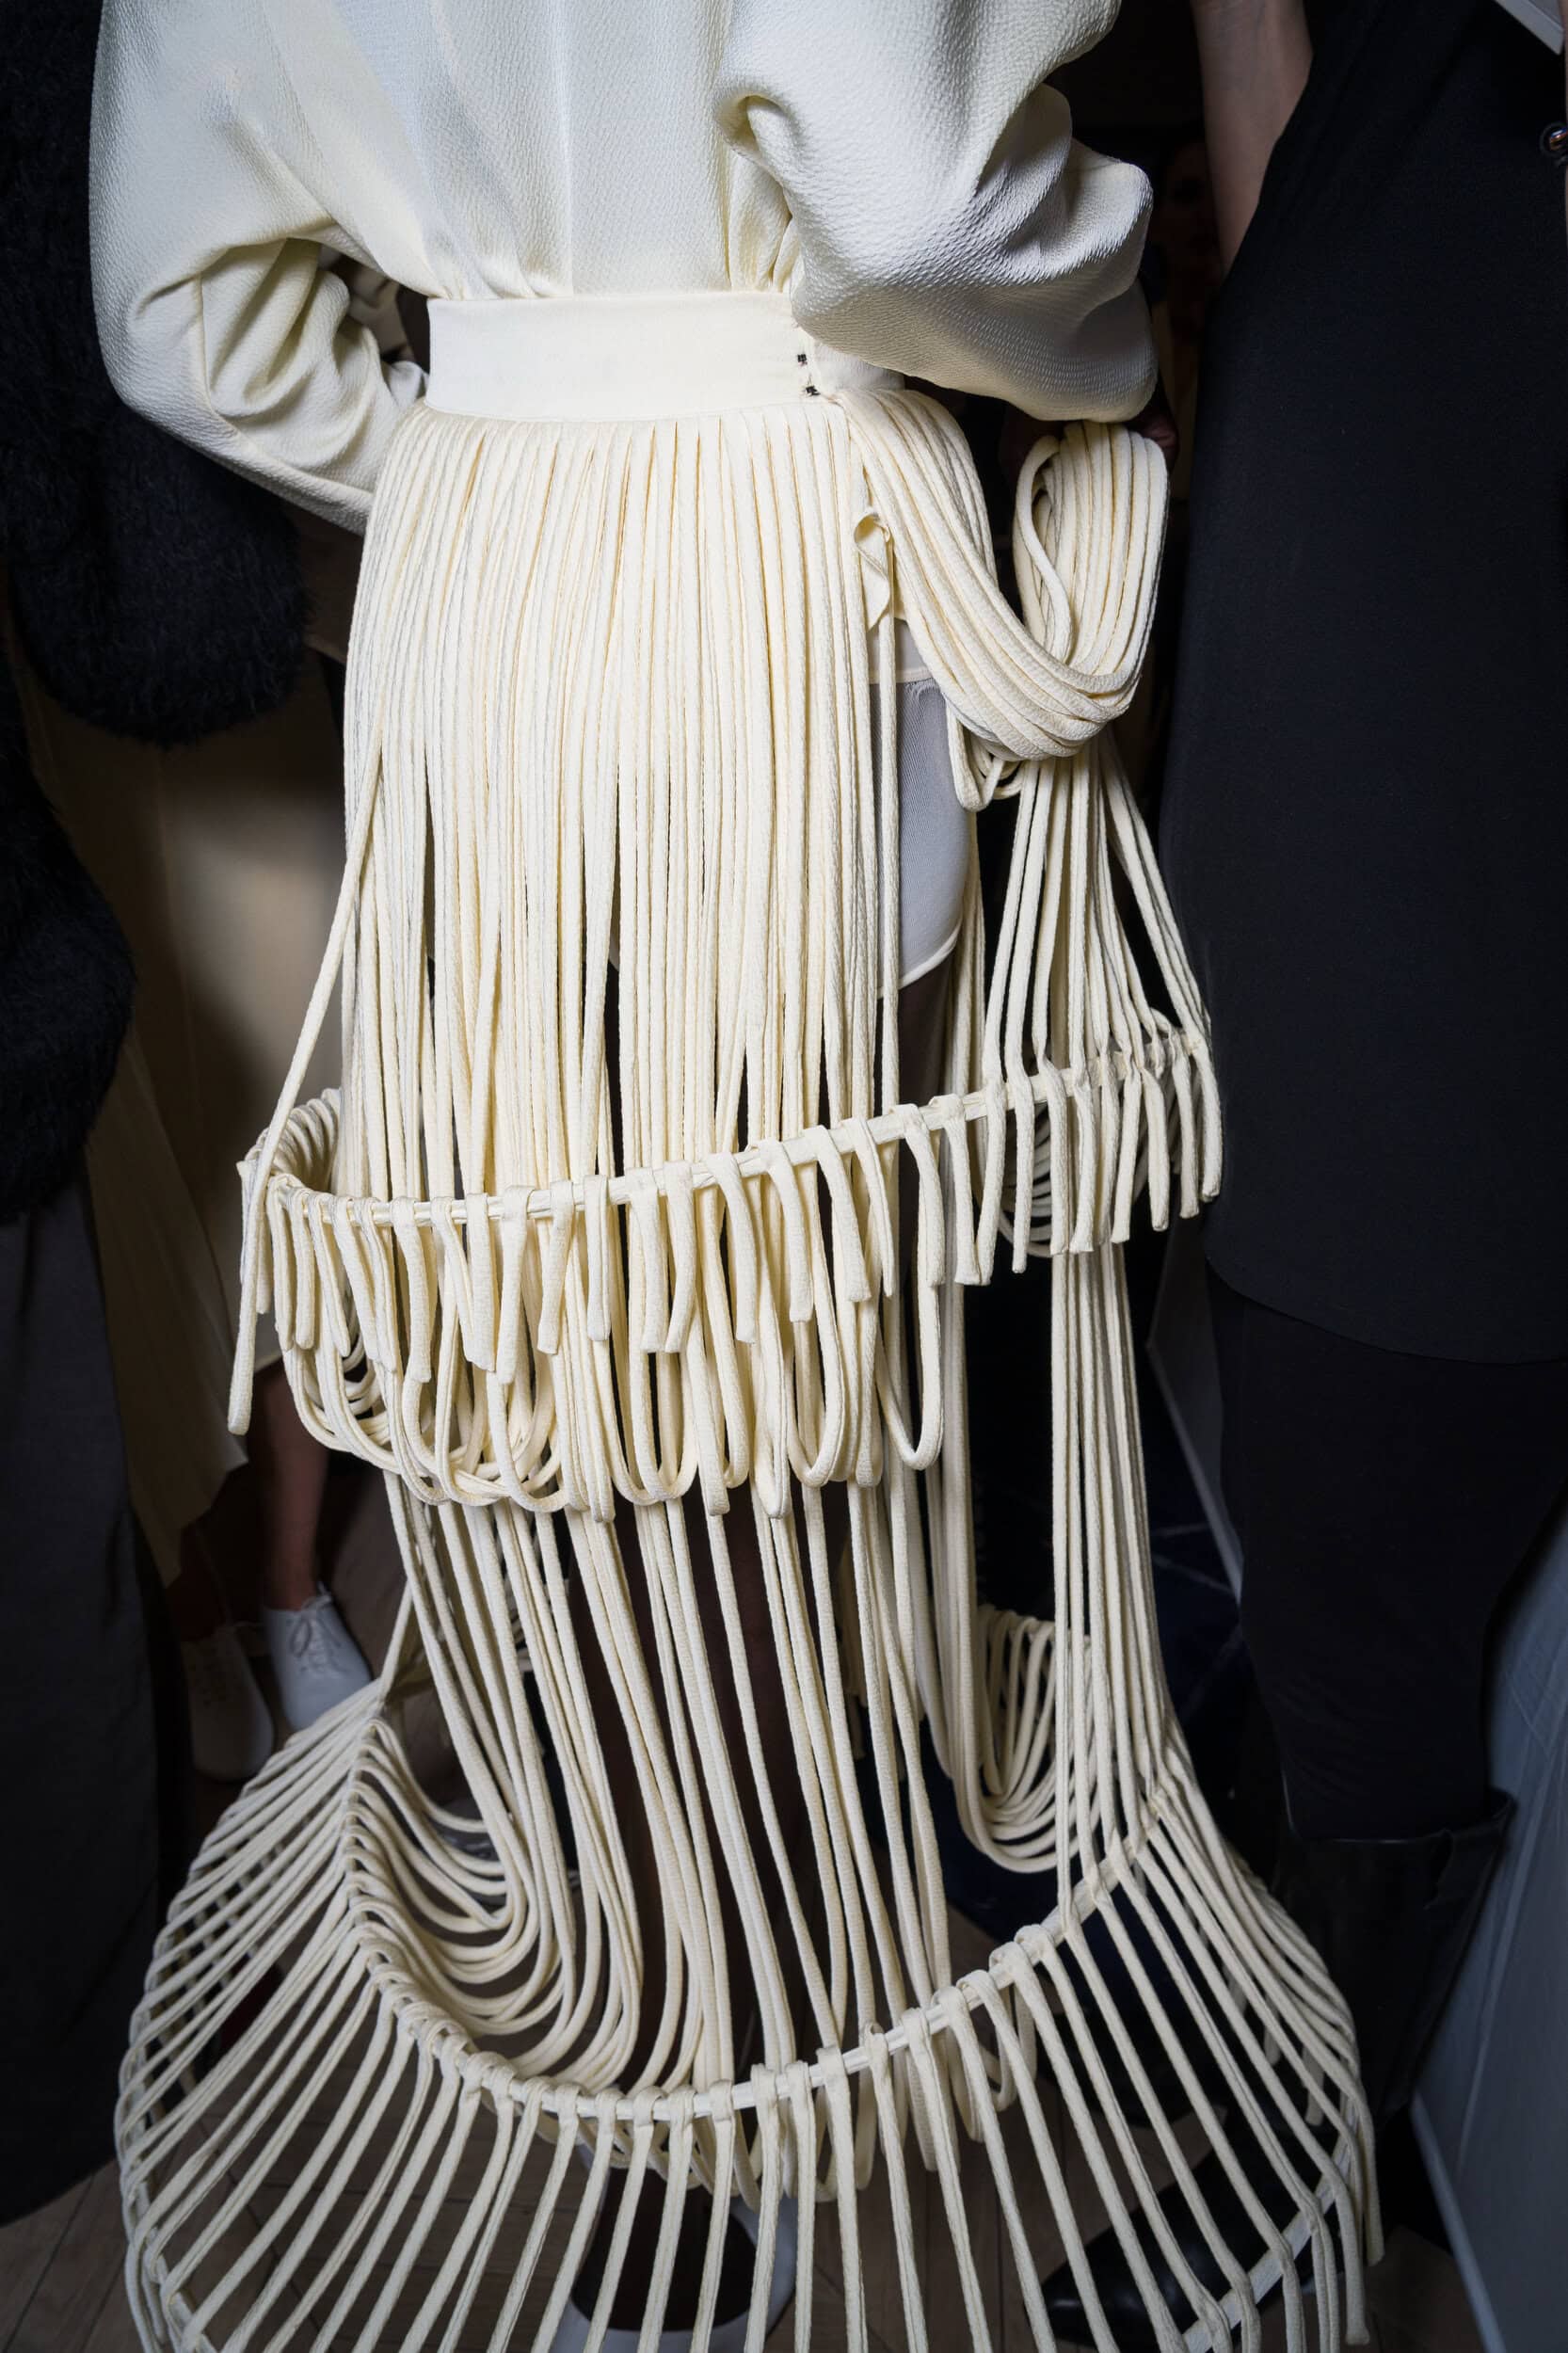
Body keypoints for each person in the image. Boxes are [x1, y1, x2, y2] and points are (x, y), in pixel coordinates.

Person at [91, 6, 1378, 2348]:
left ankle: (662, 2077)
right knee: (795, 1370)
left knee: (568, 1389)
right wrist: (1097, 352)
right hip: (774, 606)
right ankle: (764, 2038)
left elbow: (169, 303)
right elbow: (915, 196)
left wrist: (490, 446)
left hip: (486, 627)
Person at [1042, 0, 1568, 2340]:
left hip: (1433, 1101)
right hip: (1286, 1034)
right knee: (1291, 1545)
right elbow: (1272, 197)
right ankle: (1253, 2061)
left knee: (1364, 1638)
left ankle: (1295, 2207)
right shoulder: (1378, 79)